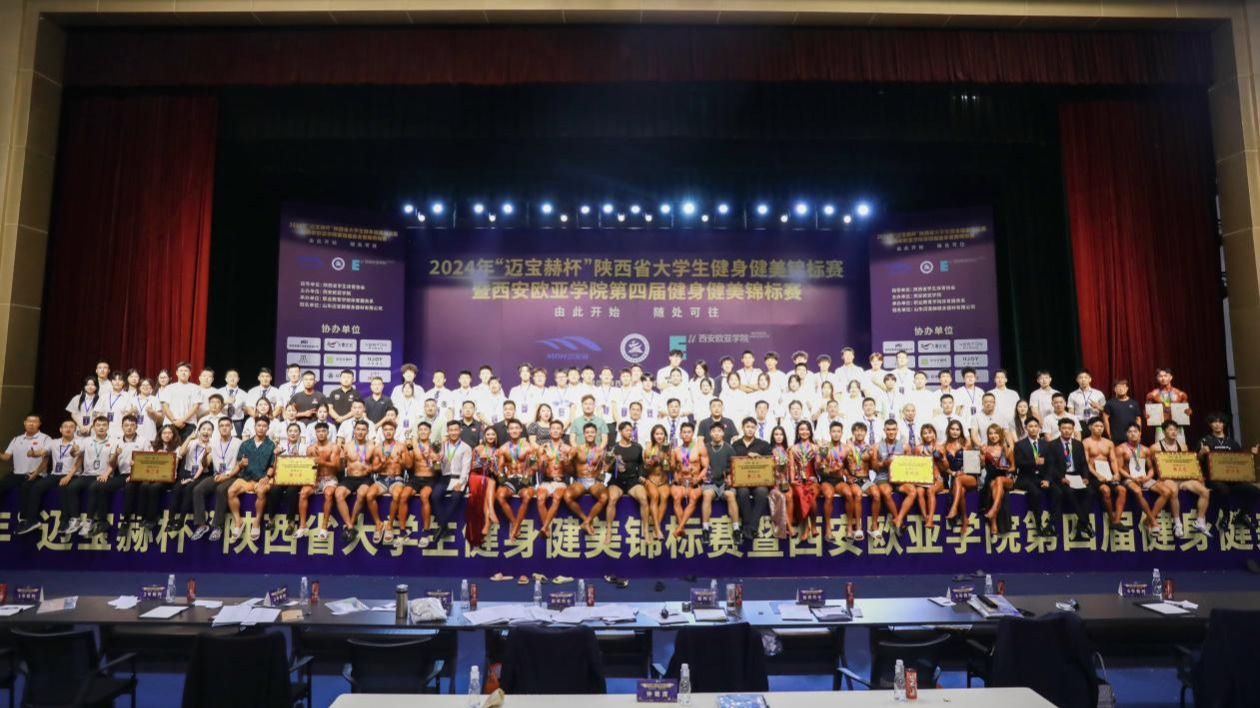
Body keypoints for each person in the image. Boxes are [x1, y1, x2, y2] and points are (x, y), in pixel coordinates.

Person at [1198, 412, 1259, 531]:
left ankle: (1241, 515)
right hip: (1214, 479)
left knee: (1255, 491)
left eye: (1220, 422)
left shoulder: (1232, 442)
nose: (1217, 424)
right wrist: (1201, 452)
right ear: (1210, 424)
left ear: (1224, 424)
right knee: (1223, 489)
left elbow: (1241, 461)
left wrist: (1251, 454)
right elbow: (1197, 460)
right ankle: (1226, 516)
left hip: (1233, 479)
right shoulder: (1205, 440)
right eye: (1214, 422)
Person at [1154, 420, 1212, 537]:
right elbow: (1154, 467)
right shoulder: (1156, 447)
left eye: (1175, 430)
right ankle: (1177, 523)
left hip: (1183, 478)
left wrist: (1197, 476)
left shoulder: (1183, 446)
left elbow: (1189, 464)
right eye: (1170, 429)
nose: (1173, 432)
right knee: (1173, 490)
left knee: (1205, 491)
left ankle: (1200, 521)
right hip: (1167, 479)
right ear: (1164, 432)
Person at [420, 420, 472, 548]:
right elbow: (433, 464)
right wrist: (434, 460)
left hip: (459, 477)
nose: (453, 432)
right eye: (451, 430)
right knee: (434, 496)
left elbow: (466, 468)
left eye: (456, 430)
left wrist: (461, 483)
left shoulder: (466, 447)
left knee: (455, 497)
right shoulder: (441, 445)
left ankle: (441, 527)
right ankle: (444, 527)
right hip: (444, 477)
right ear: (448, 431)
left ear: (460, 431)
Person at [226, 416, 277, 541]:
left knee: (261, 491)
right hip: (246, 479)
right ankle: (238, 521)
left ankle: (256, 522)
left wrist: (267, 476)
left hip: (262, 479)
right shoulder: (245, 444)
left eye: (264, 426)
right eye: (259, 425)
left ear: (268, 428)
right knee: (231, 491)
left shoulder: (271, 445)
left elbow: (272, 465)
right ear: (254, 427)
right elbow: (239, 462)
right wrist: (240, 464)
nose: (261, 428)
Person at [190, 418, 241, 541]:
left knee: (221, 489)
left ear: (232, 427)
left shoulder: (238, 443)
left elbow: (240, 465)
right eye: (221, 425)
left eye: (227, 425)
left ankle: (218, 526)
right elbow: (205, 464)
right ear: (218, 428)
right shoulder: (213, 443)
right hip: (217, 475)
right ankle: (202, 525)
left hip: (232, 476)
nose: (224, 428)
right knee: (198, 489)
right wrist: (205, 454)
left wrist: (227, 476)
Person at [1045, 419, 1097, 541]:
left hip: (1077, 476)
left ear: (1073, 430)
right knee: (1069, 492)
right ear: (1059, 429)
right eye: (1064, 428)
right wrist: (1061, 478)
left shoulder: (1078, 444)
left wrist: (1085, 477)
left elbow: (1084, 464)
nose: (1067, 431)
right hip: (1061, 477)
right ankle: (1085, 523)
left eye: (1069, 428)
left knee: (1090, 492)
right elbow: (1051, 466)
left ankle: (1081, 523)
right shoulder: (1052, 445)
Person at [1115, 422, 1168, 533]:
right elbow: (1119, 468)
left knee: (1166, 492)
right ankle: (1153, 521)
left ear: (1140, 433)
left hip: (1143, 477)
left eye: (1135, 431)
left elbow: (1151, 469)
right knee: (1138, 491)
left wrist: (1147, 478)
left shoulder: (1145, 449)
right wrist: (1131, 477)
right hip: (1128, 478)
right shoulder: (1121, 449)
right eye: (1130, 432)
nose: (1133, 434)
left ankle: (1148, 519)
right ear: (1126, 434)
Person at [3, 415, 51, 533]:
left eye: (35, 421)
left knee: (26, 487)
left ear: (39, 424)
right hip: (17, 474)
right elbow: (6, 457)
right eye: (29, 421)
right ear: (24, 423)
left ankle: (26, 520)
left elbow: (46, 459)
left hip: (36, 474)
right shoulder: (16, 439)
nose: (31, 424)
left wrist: (35, 473)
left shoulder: (46, 438)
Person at [335, 420, 378, 543]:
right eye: (358, 429)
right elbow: (340, 467)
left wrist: (370, 468)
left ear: (367, 431)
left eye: (363, 430)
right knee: (338, 494)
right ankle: (350, 526)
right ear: (354, 431)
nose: (360, 432)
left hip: (365, 478)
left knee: (361, 493)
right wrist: (341, 460)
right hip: (350, 477)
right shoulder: (347, 445)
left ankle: (352, 521)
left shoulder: (372, 446)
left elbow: (377, 466)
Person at [608, 421, 651, 544]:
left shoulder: (637, 447)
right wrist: (615, 467)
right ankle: (609, 531)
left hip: (633, 480)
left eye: (631, 430)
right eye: (627, 430)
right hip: (617, 480)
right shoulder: (614, 448)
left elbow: (641, 464)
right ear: (620, 431)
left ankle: (646, 530)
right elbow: (607, 468)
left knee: (643, 498)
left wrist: (642, 475)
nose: (630, 432)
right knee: (612, 499)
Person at [731, 418, 773, 543]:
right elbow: (731, 464)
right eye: (747, 427)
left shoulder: (764, 444)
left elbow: (770, 463)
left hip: (759, 481)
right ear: (742, 428)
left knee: (762, 492)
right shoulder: (735, 445)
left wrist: (759, 458)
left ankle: (749, 528)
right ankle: (752, 528)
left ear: (756, 429)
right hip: (742, 482)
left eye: (752, 427)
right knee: (742, 492)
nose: (750, 429)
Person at [564, 423, 610, 536]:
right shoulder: (576, 449)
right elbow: (569, 470)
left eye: (592, 432)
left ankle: (587, 521)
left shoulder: (601, 450)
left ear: (596, 434)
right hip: (580, 480)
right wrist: (567, 462)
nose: (590, 434)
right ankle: (585, 519)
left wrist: (607, 466)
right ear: (584, 434)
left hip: (594, 481)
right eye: (587, 432)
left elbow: (605, 469)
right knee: (567, 496)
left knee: (604, 497)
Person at [495, 419, 537, 541]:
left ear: (521, 430)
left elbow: (535, 466)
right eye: (511, 428)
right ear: (508, 431)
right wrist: (500, 475)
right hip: (510, 479)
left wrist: (528, 475)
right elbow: (500, 468)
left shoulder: (528, 447)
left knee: (527, 496)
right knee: (500, 495)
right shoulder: (503, 448)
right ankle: (515, 524)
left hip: (524, 478)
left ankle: (515, 527)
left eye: (516, 428)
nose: (514, 430)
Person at [297, 421, 341, 540]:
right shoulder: (310, 448)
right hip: (315, 479)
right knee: (303, 493)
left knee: (328, 494)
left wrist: (321, 461)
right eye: (318, 431)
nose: (321, 433)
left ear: (328, 432)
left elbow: (337, 465)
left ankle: (324, 527)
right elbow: (308, 467)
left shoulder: (334, 447)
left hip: (330, 478)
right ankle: (302, 526)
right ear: (315, 433)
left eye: (323, 431)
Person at [1084, 418, 1128, 531]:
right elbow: (1086, 462)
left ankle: (1117, 521)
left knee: (1122, 490)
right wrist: (1097, 475)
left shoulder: (1108, 443)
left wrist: (1116, 473)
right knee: (1106, 490)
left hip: (1107, 473)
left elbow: (1113, 460)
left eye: (1101, 426)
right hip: (1093, 475)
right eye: (1096, 426)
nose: (1099, 428)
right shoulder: (1086, 442)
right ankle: (1112, 519)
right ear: (1090, 427)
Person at [1012, 418, 1054, 537]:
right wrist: (1033, 462)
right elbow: (1019, 463)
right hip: (1026, 478)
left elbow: (1050, 465)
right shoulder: (1019, 445)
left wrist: (1048, 480)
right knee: (1036, 492)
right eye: (1030, 426)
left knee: (1057, 491)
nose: (1033, 429)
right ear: (1026, 428)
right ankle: (1039, 525)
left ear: (1039, 428)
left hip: (1041, 478)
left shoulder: (1046, 444)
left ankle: (1051, 524)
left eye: (1036, 426)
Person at [818, 421, 857, 544]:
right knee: (829, 496)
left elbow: (848, 467)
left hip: (839, 480)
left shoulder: (846, 448)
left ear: (841, 433)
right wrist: (830, 470)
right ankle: (828, 529)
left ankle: (849, 527)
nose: (836, 434)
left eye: (838, 431)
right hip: (826, 480)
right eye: (833, 431)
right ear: (830, 433)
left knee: (849, 494)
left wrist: (850, 472)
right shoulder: (824, 448)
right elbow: (819, 468)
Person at [700, 423, 738, 546]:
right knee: (707, 494)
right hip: (710, 482)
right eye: (714, 431)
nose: (716, 433)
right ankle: (705, 529)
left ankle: (736, 529)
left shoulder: (729, 448)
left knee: (730, 495)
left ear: (723, 433)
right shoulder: (705, 448)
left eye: (719, 431)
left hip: (724, 482)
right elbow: (700, 466)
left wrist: (730, 478)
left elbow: (734, 468)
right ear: (710, 433)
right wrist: (702, 476)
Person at [264, 423, 306, 532]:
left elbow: (307, 466)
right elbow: (275, 467)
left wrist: (299, 458)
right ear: (287, 433)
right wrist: (276, 456)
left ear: (300, 433)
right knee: (274, 489)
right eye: (290, 431)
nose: (293, 433)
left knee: (292, 491)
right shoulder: (281, 447)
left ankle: (291, 521)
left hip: (297, 478)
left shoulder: (304, 447)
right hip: (283, 477)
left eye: (295, 431)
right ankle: (271, 519)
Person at [535, 420, 574, 537]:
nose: (556, 431)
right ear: (550, 431)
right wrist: (543, 462)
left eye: (558, 428)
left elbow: (572, 472)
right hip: (546, 481)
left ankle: (544, 527)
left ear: (562, 431)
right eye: (553, 428)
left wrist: (566, 462)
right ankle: (546, 529)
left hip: (561, 481)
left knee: (556, 498)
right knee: (540, 499)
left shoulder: (568, 449)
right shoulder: (543, 448)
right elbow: (538, 469)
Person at [671, 422, 708, 537]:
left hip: (694, 482)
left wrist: (699, 479)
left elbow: (706, 467)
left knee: (693, 498)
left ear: (693, 434)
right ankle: (681, 528)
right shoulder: (676, 450)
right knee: (676, 497)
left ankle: (680, 527)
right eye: (684, 432)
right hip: (681, 482)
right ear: (680, 434)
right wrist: (675, 476)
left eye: (689, 432)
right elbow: (673, 468)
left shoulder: (700, 448)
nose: (686, 434)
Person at [788, 420, 822, 540]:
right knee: (800, 495)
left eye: (807, 429)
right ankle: (806, 527)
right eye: (801, 429)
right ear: (798, 432)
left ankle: (813, 525)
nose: (804, 432)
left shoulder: (815, 447)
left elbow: (818, 467)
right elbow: (791, 466)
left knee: (812, 498)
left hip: (812, 479)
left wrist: (819, 458)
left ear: (810, 432)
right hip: (798, 480)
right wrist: (792, 480)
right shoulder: (793, 449)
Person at [942, 419, 978, 532]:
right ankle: (964, 519)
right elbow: (943, 467)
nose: (955, 432)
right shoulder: (944, 446)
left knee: (958, 480)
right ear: (948, 430)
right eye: (952, 429)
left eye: (957, 429)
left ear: (961, 431)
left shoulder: (966, 444)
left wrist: (964, 472)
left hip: (970, 477)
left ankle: (953, 509)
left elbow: (974, 464)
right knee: (960, 490)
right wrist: (952, 473)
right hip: (955, 478)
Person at [980, 423, 1015, 536]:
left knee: (999, 479)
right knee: (994, 484)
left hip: (1007, 479)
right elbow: (982, 467)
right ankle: (994, 523)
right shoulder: (985, 449)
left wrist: (1005, 468)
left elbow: (1013, 467)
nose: (993, 436)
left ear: (1000, 434)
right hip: (991, 479)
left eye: (995, 433)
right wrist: (982, 460)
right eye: (990, 433)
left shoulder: (1006, 449)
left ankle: (994, 511)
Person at [1145, 367, 1191, 433]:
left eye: (1165, 376)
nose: (1163, 378)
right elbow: (1147, 411)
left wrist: (1188, 411)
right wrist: (1147, 414)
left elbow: (1187, 410)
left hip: (1178, 426)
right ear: (1157, 378)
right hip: (1161, 427)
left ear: (1171, 377)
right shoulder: (1152, 395)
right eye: (1160, 376)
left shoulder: (1180, 394)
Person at [219, 369, 248, 434]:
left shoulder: (244, 394)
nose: (232, 378)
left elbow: (246, 411)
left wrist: (242, 411)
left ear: (238, 379)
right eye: (230, 376)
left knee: (237, 440)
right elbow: (215, 409)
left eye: (235, 376)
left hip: (237, 422)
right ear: (226, 379)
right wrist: (225, 403)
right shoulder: (219, 392)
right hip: (221, 421)